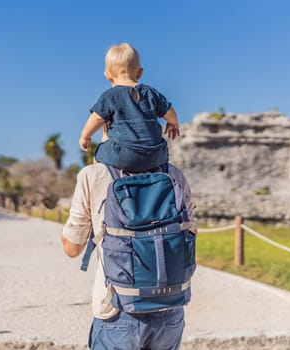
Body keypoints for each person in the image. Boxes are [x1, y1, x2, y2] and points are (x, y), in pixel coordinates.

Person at [61, 163, 196, 350]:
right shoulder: (172, 173)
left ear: (104, 132)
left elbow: (72, 248)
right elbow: (190, 233)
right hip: (170, 306)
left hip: (117, 308)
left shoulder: (93, 174)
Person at [79, 43, 180, 172]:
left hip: (124, 155)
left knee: (99, 153)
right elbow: (169, 111)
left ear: (108, 75)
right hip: (157, 155)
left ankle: (99, 178)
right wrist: (173, 123)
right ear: (140, 73)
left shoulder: (110, 95)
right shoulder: (151, 93)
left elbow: (97, 119)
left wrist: (85, 136)